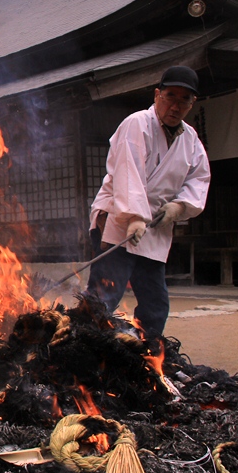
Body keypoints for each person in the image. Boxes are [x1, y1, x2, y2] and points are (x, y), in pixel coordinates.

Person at [85, 66, 211, 339]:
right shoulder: (137, 123)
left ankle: (146, 351)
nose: (175, 105)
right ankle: (84, 349)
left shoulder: (191, 140)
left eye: (184, 100)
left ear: (193, 103)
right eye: (170, 96)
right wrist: (134, 216)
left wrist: (179, 207)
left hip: (154, 229)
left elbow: (199, 179)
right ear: (157, 95)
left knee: (155, 303)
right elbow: (127, 172)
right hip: (119, 221)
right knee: (104, 296)